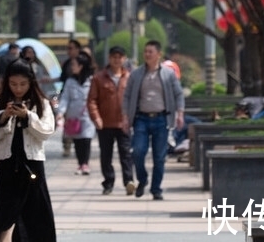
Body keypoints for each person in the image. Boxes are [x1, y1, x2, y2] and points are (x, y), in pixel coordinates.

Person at [0, 59, 57, 242]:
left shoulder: (41, 104)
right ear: (7, 82)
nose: (18, 89)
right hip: (8, 167)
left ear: (31, 82)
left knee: (36, 217)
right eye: (13, 84)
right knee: (5, 217)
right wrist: (4, 116)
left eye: (23, 84)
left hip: (32, 166)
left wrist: (27, 116)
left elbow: (46, 131)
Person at [122, 39, 185, 201]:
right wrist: (125, 117)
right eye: (145, 51)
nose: (147, 54)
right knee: (137, 151)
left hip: (161, 119)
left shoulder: (168, 74)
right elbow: (127, 96)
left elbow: (178, 94)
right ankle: (142, 180)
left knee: (159, 157)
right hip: (141, 119)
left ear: (159, 54)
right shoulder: (136, 74)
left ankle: (156, 189)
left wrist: (180, 114)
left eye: (151, 52)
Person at [88, 45, 135, 195]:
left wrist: (131, 117)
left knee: (126, 154)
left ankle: (129, 181)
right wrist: (96, 117)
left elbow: (134, 99)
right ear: (109, 58)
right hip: (105, 123)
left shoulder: (129, 77)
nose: (117, 60)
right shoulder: (98, 78)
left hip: (123, 123)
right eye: (114, 57)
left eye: (120, 57)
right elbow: (92, 100)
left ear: (124, 59)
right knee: (106, 155)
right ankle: (108, 183)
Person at [56, 52, 96, 175]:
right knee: (78, 140)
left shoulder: (92, 80)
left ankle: (85, 164)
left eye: (74, 65)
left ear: (81, 66)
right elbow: (65, 98)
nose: (72, 67)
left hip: (88, 115)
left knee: (86, 139)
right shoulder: (70, 81)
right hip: (74, 116)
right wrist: (60, 112)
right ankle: (80, 163)